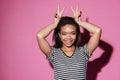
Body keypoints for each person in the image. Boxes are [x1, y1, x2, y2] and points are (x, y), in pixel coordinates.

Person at [36, 5, 102, 80]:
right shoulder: (53, 53)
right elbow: (40, 36)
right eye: (64, 34)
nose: (69, 37)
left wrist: (79, 22)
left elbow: (97, 31)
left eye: (73, 33)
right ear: (59, 35)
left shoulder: (84, 52)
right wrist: (55, 25)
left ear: (77, 34)